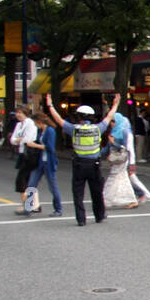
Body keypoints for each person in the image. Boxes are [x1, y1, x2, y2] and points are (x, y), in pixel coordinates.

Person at [44, 93, 122, 226]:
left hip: (79, 165)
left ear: (79, 116)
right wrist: (115, 104)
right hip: (94, 165)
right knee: (97, 192)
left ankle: (81, 219)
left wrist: (50, 105)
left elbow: (58, 120)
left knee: (78, 193)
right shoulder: (98, 128)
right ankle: (99, 216)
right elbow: (109, 116)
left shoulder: (74, 129)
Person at [22, 112, 62, 217]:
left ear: (39, 122)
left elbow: (50, 148)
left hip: (49, 162)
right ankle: (28, 208)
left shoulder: (50, 131)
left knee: (52, 186)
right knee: (31, 183)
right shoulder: (41, 131)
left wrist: (35, 145)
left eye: (35, 123)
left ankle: (58, 209)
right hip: (40, 162)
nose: (35, 125)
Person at [9, 106, 38, 212]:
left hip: (30, 154)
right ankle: (32, 204)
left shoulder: (30, 123)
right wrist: (19, 140)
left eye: (20, 112)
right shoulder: (18, 125)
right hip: (22, 153)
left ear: (25, 113)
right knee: (27, 180)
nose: (18, 115)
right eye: (16, 113)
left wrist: (18, 140)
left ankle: (28, 204)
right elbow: (12, 139)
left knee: (23, 180)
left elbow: (28, 139)